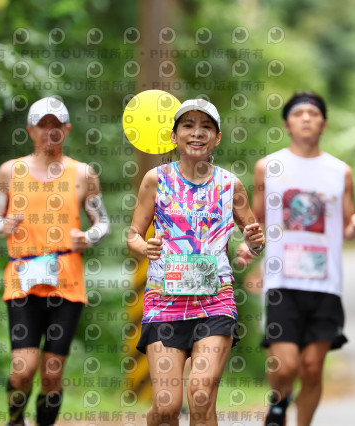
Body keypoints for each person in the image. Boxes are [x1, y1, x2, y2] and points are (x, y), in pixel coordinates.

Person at [127, 98, 265, 426]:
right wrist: (145, 247)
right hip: (164, 301)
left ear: (217, 138)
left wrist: (254, 242)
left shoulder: (230, 184)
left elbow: (254, 239)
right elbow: (133, 235)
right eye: (188, 125)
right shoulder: (156, 179)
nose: (197, 133)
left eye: (206, 127)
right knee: (166, 406)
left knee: (201, 396)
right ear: (174, 136)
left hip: (215, 303)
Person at [238, 91, 355, 426]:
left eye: (314, 114)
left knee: (312, 368)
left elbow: (346, 227)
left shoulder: (340, 172)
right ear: (287, 124)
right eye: (299, 114)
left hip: (326, 283)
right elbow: (258, 222)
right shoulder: (267, 167)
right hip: (282, 280)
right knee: (286, 366)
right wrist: (249, 249)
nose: (307, 119)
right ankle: (279, 402)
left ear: (324, 123)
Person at [0, 96, 110, 426]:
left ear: (67, 129)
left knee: (52, 373)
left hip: (66, 282)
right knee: (22, 369)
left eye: (56, 125)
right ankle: (15, 421)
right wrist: (3, 225)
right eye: (43, 125)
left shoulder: (83, 173)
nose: (50, 132)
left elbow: (102, 222)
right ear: (30, 130)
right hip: (23, 278)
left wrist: (89, 237)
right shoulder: (10, 171)